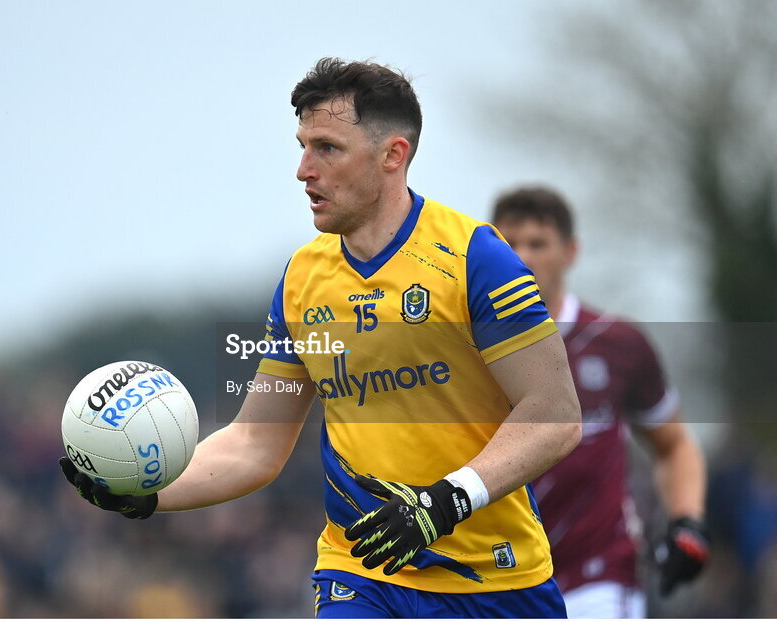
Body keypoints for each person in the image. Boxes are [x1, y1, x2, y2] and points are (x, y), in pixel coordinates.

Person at [60, 58, 582, 618]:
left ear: (393, 155)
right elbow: (255, 445)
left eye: (327, 148)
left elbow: (554, 415)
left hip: (496, 580)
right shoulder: (302, 280)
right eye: (302, 145)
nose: (303, 169)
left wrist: (447, 500)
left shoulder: (475, 257)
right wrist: (147, 493)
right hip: (360, 573)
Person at [491, 186, 710, 618]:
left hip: (598, 572)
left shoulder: (618, 343)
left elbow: (674, 445)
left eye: (538, 244)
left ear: (570, 252)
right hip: (497, 572)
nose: (522, 257)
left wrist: (688, 522)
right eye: (508, 243)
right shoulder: (463, 349)